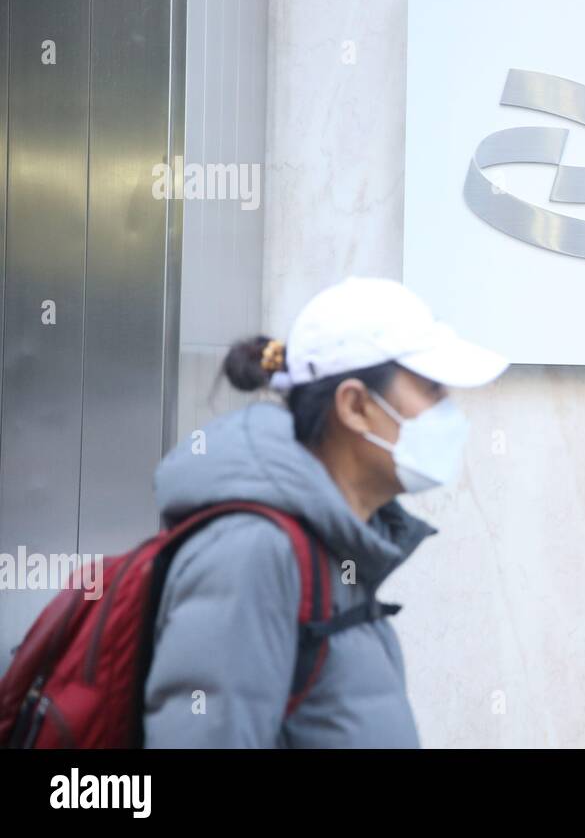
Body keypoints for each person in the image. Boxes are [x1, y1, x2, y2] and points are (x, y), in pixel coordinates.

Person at [141, 276, 507, 747]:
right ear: (355, 406)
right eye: (432, 389)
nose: (449, 413)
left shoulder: (341, 544)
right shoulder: (254, 552)